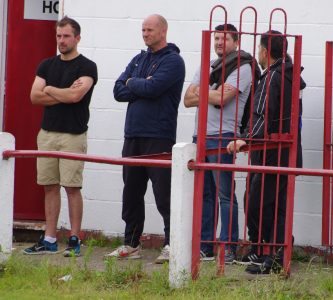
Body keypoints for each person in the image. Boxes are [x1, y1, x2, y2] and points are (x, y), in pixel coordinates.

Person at [105, 14, 185, 264]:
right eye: (143, 30)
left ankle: (173, 244)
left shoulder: (174, 61)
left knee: (164, 194)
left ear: (163, 31)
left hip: (158, 136)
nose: (145, 34)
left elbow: (154, 88)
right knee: (131, 192)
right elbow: (118, 90)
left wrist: (135, 84)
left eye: (150, 30)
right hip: (133, 135)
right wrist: (137, 82)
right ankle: (131, 243)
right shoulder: (138, 59)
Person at [227, 30, 306, 274]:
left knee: (260, 204)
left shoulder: (273, 76)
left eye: (259, 50)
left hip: (271, 152)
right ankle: (275, 253)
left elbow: (263, 115)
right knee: (277, 205)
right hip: (287, 151)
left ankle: (271, 255)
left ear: (264, 51)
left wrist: (245, 140)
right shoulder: (291, 75)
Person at [184, 24, 260, 263]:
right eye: (216, 38)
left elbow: (224, 98)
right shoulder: (208, 65)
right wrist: (213, 90)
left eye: (223, 39)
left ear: (235, 42)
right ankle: (206, 245)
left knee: (225, 194)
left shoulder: (243, 66)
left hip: (224, 135)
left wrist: (205, 91)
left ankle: (228, 246)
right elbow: (187, 99)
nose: (218, 43)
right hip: (201, 136)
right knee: (205, 193)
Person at [23, 16, 98, 257]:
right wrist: (64, 93)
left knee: (72, 187)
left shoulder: (87, 66)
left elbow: (76, 97)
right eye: (58, 36)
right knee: (49, 187)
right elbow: (34, 97)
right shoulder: (46, 65)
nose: (61, 41)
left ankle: (75, 239)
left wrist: (51, 89)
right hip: (47, 134)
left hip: (73, 135)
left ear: (77, 38)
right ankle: (50, 238)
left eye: (66, 36)